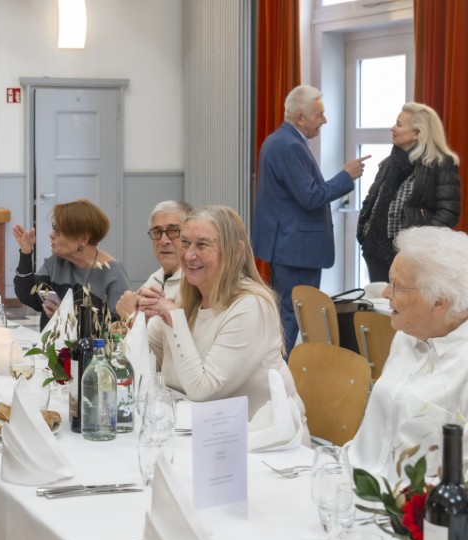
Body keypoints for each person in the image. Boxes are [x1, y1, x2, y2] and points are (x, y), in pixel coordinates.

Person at [141, 206, 307, 427]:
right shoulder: (185, 297)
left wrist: (174, 319)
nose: (189, 255)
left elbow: (203, 391)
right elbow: (140, 365)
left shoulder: (251, 306)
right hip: (206, 430)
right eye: (185, 242)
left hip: (262, 441)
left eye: (202, 244)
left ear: (235, 251)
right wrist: (137, 322)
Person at [252, 85, 369, 355]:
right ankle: (278, 375)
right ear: (300, 117)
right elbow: (311, 197)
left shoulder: (278, 140)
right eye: (319, 114)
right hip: (296, 250)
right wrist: (346, 176)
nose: (324, 120)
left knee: (286, 314)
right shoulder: (289, 145)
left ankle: (277, 373)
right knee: (292, 316)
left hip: (286, 246)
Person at [348, 226, 468, 483]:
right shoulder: (408, 335)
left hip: (417, 514)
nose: (384, 293)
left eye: (397, 286)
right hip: (359, 485)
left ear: (439, 301)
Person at [357, 102, 461, 283]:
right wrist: (363, 232)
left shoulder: (441, 163)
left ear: (418, 133)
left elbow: (448, 213)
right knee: (377, 307)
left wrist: (419, 244)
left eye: (399, 124)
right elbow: (372, 198)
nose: (393, 128)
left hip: (411, 256)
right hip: (373, 250)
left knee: (405, 307)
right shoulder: (389, 162)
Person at [12, 198, 132, 330]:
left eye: (59, 230)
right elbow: (28, 296)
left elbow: (120, 330)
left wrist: (70, 319)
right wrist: (25, 253)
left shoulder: (113, 273)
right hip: (53, 348)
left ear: (83, 238)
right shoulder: (56, 262)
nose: (51, 234)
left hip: (92, 350)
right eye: (53, 227)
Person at [115, 200, 192, 324]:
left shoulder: (194, 283)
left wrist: (131, 316)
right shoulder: (154, 279)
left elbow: (177, 338)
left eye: (172, 231)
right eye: (157, 232)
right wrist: (123, 329)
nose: (163, 241)